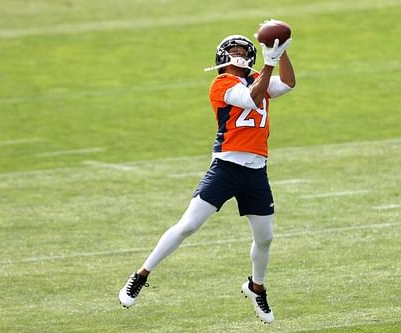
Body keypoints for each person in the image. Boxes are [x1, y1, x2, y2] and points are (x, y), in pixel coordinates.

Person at [119, 25, 295, 324]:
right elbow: (251, 98)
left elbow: (289, 83)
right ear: (222, 59)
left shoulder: (258, 78)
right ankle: (141, 274)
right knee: (188, 225)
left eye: (242, 52)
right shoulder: (221, 84)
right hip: (226, 168)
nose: (237, 56)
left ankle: (256, 287)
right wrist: (269, 61)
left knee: (265, 238)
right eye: (233, 53)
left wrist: (281, 49)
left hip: (256, 171)